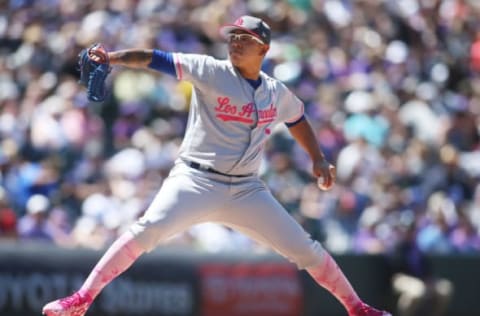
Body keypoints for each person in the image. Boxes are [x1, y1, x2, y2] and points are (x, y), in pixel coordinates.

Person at [42, 16, 391, 316]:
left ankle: (356, 308)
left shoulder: (275, 92)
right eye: (233, 37)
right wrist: (114, 58)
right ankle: (81, 299)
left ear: (264, 50)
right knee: (147, 230)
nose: (236, 43)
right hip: (195, 179)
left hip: (246, 189)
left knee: (305, 248)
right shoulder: (211, 70)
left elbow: (298, 117)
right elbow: (156, 59)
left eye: (245, 39)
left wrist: (317, 156)